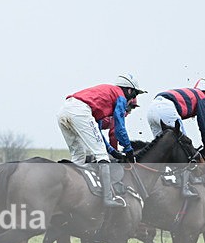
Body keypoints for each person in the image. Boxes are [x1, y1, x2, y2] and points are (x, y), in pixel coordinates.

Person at [57, 74, 147, 207]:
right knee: (102, 156)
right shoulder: (120, 96)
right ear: (129, 90)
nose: (133, 99)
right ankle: (108, 198)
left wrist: (112, 150)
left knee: (79, 156)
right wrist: (128, 149)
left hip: (63, 111)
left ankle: (74, 190)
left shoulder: (105, 96)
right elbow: (119, 127)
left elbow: (97, 132)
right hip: (80, 112)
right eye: (134, 94)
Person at [147, 78, 205, 197]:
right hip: (166, 108)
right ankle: (185, 187)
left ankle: (159, 179)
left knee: (161, 150)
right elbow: (204, 126)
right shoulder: (202, 97)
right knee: (184, 147)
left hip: (151, 109)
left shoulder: (192, 94)